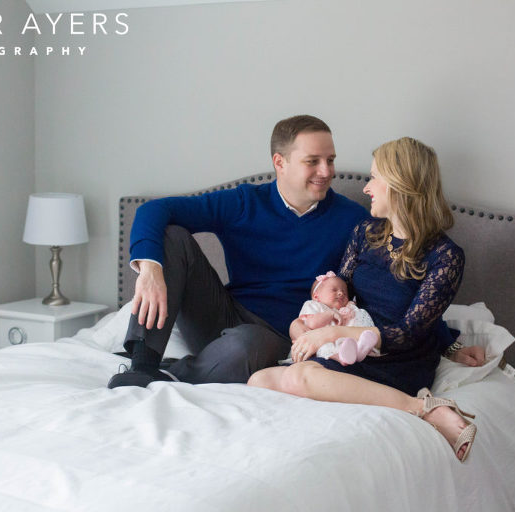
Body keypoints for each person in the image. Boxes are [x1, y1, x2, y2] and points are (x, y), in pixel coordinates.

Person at [109, 116, 483, 389]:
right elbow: (153, 211)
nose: (326, 171)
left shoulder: (355, 221)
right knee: (172, 238)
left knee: (248, 344)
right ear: (280, 163)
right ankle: (142, 363)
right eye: (313, 161)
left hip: (282, 332)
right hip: (224, 312)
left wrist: (447, 342)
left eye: (331, 160)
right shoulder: (244, 201)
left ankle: (176, 373)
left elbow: (391, 291)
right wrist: (150, 270)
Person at [248, 137, 480, 462]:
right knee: (259, 380)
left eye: (374, 178)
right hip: (353, 349)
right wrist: (306, 325)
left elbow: (410, 331)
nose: (367, 188)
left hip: (399, 359)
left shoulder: (445, 256)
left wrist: (331, 334)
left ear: (400, 184)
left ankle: (424, 408)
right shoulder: (365, 234)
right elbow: (340, 300)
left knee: (302, 377)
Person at [290, 271, 379, 365]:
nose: (341, 293)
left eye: (345, 293)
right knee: (325, 347)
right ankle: (340, 358)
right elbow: (311, 324)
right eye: (334, 290)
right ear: (316, 296)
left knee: (358, 320)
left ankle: (361, 350)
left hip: (342, 341)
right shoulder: (313, 305)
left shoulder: (346, 309)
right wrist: (330, 314)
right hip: (316, 344)